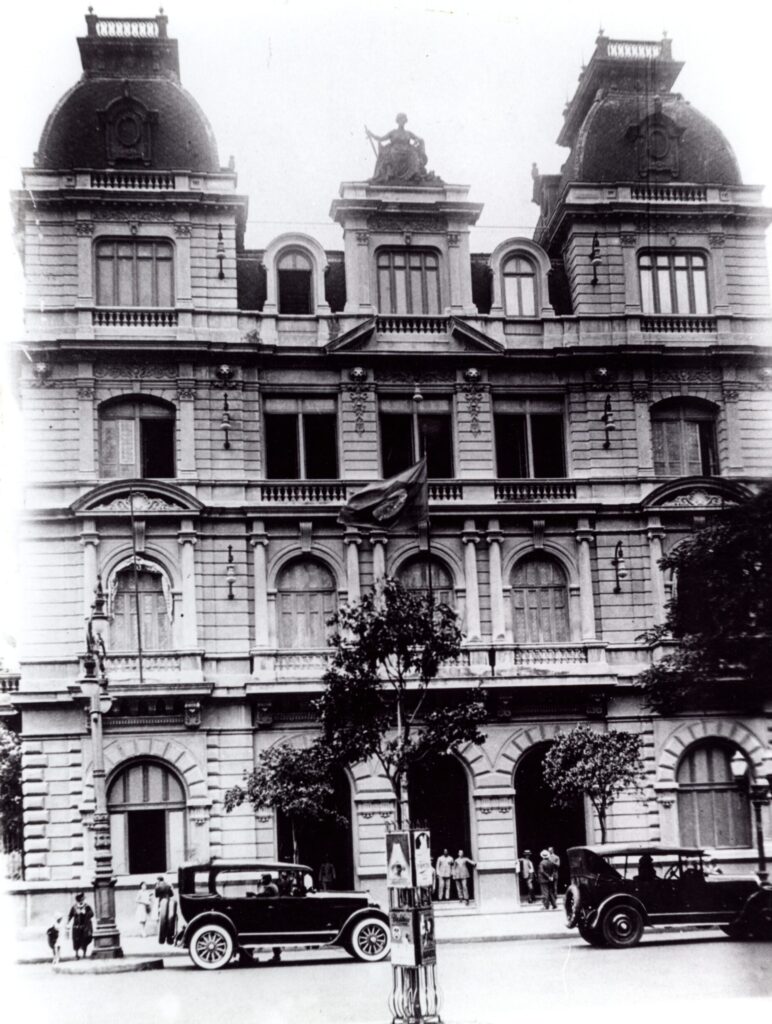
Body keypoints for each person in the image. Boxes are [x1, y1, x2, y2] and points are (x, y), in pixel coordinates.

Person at [67, 892, 94, 958]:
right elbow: (70, 915)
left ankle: (84, 953)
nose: (82, 900)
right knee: (76, 940)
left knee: (85, 939)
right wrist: (67, 922)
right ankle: (77, 954)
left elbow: (92, 914)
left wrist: (86, 913)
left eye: (82, 899)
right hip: (76, 927)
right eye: (80, 899)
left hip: (85, 927)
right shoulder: (74, 907)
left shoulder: (87, 906)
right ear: (78, 899)